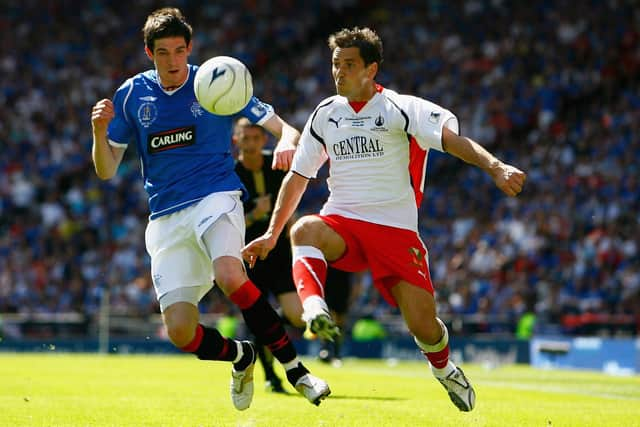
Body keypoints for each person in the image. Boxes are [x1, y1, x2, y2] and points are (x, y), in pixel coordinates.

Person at [243, 27, 527, 412]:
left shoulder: (400, 108)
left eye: (349, 65)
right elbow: (297, 178)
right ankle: (314, 309)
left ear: (371, 69)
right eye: (334, 64)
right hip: (342, 222)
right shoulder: (325, 114)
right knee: (305, 228)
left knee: (423, 327)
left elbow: (451, 140)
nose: (339, 73)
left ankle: (444, 370)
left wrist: (495, 167)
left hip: (395, 232)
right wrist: (273, 234)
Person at [90, 7, 330, 411]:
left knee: (229, 272)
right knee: (181, 332)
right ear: (149, 52)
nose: (172, 62)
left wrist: (288, 140)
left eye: (179, 51)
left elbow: (282, 127)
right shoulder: (131, 95)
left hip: (216, 195)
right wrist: (99, 132)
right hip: (166, 216)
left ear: (190, 49)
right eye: (163, 52)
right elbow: (105, 170)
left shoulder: (216, 81)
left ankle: (297, 371)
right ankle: (242, 356)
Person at [233, 117, 306, 393]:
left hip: (279, 254)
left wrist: (292, 230)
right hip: (248, 257)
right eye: (245, 138)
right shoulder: (230, 174)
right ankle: (270, 377)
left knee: (298, 315)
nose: (251, 144)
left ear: (264, 140)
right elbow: (228, 221)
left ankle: (268, 322)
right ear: (236, 140)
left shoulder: (277, 167)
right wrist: (254, 215)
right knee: (258, 322)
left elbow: (290, 204)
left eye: (256, 138)